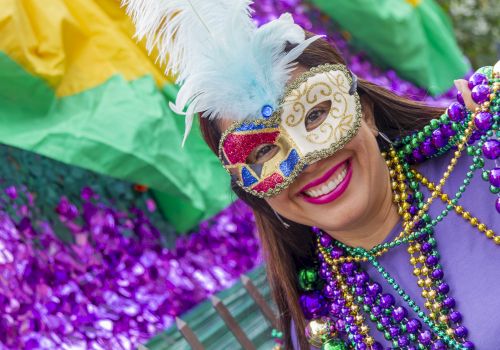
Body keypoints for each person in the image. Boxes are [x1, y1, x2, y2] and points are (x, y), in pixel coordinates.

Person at [124, 1, 500, 348]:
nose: (306, 159)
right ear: (251, 189)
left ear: (363, 110)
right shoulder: (320, 324)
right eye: (264, 150)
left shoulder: (486, 159)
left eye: (316, 115)